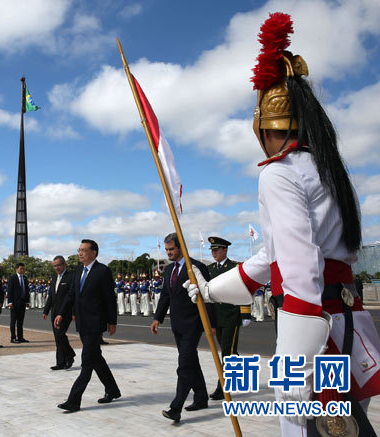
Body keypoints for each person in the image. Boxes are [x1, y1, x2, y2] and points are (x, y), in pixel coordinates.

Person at [184, 13, 380, 436]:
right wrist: (213, 289)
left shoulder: (279, 173)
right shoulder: (332, 172)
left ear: (262, 125)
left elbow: (297, 266)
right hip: (348, 322)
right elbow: (274, 257)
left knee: (304, 426)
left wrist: (298, 361)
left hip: (314, 330)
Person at [150, 232, 215, 423]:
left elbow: (207, 296)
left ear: (181, 248)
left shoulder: (196, 267)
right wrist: (157, 318)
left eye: (172, 249)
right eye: (167, 249)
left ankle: (176, 407)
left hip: (193, 323)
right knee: (191, 361)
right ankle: (201, 397)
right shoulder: (169, 270)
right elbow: (165, 296)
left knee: (184, 365)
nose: (168, 252)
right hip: (177, 323)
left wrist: (210, 323)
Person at [55, 239, 120, 412]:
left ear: (94, 252)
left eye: (84, 250)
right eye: (79, 250)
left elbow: (109, 298)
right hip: (82, 322)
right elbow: (71, 295)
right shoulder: (78, 271)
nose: (80, 253)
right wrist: (61, 313)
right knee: (96, 358)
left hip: (95, 323)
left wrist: (112, 321)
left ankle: (74, 400)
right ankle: (112, 389)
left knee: (87, 362)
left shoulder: (102, 271)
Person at [206, 236, 251, 401]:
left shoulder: (235, 268)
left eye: (217, 250)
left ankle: (222, 388)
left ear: (225, 249)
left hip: (232, 315)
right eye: (212, 250)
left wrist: (245, 313)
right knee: (229, 352)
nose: (214, 253)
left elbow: (244, 290)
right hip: (216, 316)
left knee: (227, 352)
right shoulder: (209, 269)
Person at [43, 256, 75, 370]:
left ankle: (70, 355)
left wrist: (74, 312)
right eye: (54, 266)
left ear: (64, 265)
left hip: (66, 312)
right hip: (54, 311)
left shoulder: (71, 277)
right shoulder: (54, 277)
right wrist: (46, 310)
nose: (56, 268)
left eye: (58, 265)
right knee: (57, 337)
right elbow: (51, 296)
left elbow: (72, 296)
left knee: (60, 334)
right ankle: (60, 362)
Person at [8, 262, 30, 343]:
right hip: (14, 303)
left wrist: (27, 301)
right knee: (13, 321)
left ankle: (20, 337)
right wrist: (10, 302)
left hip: (23, 302)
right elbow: (9, 291)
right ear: (17, 269)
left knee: (20, 321)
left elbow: (27, 290)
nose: (23, 270)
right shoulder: (12, 278)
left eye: (23, 268)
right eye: (21, 268)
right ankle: (13, 337)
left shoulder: (25, 278)